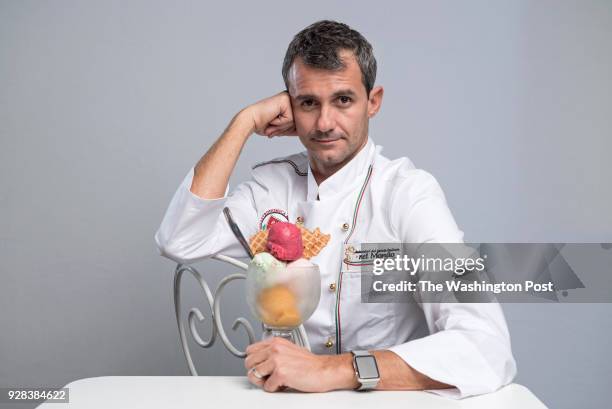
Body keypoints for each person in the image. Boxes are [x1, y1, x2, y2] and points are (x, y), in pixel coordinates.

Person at [155, 20, 516, 397]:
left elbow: (486, 345)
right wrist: (244, 122)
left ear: (372, 102)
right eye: (308, 103)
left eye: (343, 100)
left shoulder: (407, 194)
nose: (325, 123)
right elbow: (179, 239)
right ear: (290, 105)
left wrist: (332, 370)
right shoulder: (271, 189)